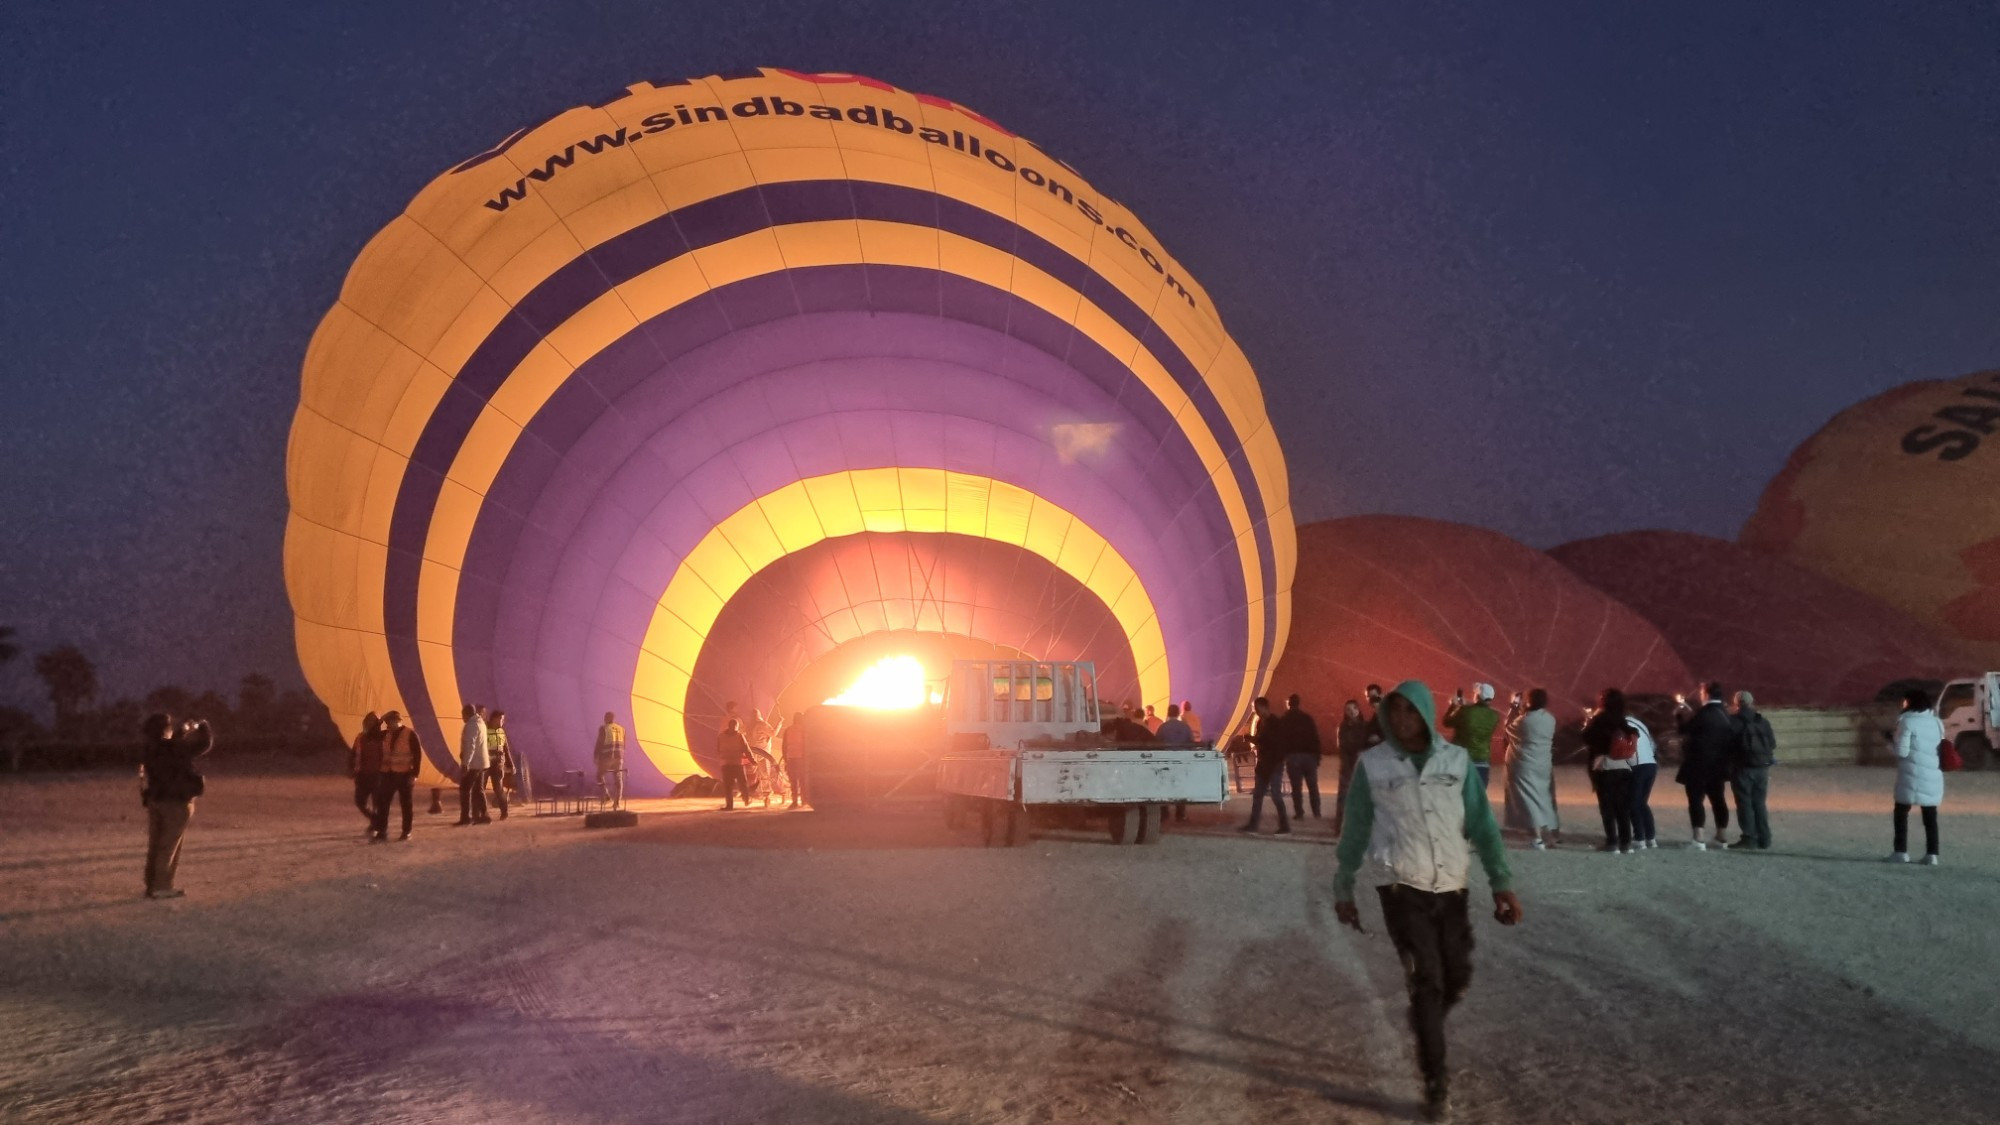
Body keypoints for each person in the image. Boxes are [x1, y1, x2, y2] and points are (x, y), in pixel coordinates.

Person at [1333, 680, 1521, 1122]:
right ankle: (1436, 1081)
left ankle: (1426, 1015)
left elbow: (1481, 823)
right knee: (1429, 982)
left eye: (1411, 712)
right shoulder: (1373, 765)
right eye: (1394, 713)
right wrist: (1344, 885)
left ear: (1426, 713)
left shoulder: (1455, 761)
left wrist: (1501, 881)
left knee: (1457, 974)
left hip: (1451, 885)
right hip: (1401, 886)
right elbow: (1356, 826)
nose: (1402, 721)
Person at [140, 713, 212, 899]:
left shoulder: (150, 749)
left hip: (156, 800)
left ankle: (151, 884)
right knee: (169, 845)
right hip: (177, 802)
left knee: (156, 844)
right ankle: (162, 886)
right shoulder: (175, 748)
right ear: (165, 729)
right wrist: (203, 727)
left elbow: (169, 747)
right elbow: (203, 745)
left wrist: (182, 732)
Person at [1886, 688, 1944, 865]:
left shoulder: (1906, 722)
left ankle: (1901, 851)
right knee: (1930, 816)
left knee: (1901, 813)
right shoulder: (1936, 722)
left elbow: (1902, 752)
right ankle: (1932, 854)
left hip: (1911, 775)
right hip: (1932, 774)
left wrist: (1890, 742)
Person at [1674, 683, 1735, 850]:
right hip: (1718, 765)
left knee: (1696, 800)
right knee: (1718, 800)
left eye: (1702, 692)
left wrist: (1679, 716)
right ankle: (1721, 837)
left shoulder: (1703, 713)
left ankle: (1698, 838)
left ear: (1706, 694)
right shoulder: (1725, 714)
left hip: (1698, 765)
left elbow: (1685, 731)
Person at [1502, 689, 1561, 848]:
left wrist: (1514, 706)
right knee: (1543, 799)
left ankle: (1537, 838)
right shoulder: (1550, 719)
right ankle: (1549, 835)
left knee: (1529, 800)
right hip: (1543, 764)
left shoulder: (1523, 720)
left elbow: (1508, 727)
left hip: (1524, 765)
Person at [1583, 689, 1638, 854]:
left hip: (1605, 766)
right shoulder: (1621, 719)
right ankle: (1626, 842)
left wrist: (1590, 722)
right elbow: (1633, 733)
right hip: (1623, 767)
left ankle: (1612, 841)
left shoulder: (1599, 718)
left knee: (1607, 807)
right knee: (1622, 807)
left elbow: (1586, 737)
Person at [1729, 692, 1776, 850]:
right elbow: (1772, 743)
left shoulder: (1734, 721)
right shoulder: (1762, 721)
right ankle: (1765, 837)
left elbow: (1728, 745)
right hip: (1762, 768)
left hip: (1743, 767)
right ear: (1752, 702)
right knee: (1759, 803)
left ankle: (1749, 838)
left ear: (1736, 703)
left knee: (1744, 804)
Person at [1238, 697, 1291, 835]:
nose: (1254, 711)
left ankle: (1284, 826)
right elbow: (1264, 741)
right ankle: (1253, 825)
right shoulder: (1262, 722)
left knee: (1275, 795)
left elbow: (1270, 742)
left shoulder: (1274, 723)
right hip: (1264, 763)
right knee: (1258, 795)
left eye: (1255, 708)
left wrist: (1251, 738)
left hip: (1273, 764)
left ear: (1262, 707)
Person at [373, 710, 423, 842]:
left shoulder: (411, 735)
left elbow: (418, 755)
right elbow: (371, 734)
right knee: (383, 803)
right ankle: (382, 831)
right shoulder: (386, 734)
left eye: (389, 722)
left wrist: (415, 774)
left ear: (397, 721)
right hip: (388, 773)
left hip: (405, 774)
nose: (387, 726)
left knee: (406, 804)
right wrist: (379, 721)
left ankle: (407, 831)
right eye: (386, 723)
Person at [1444, 684, 1501, 789]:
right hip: (1483, 762)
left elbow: (1446, 722)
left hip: (1462, 762)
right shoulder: (1495, 716)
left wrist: (1454, 706)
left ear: (1478, 696)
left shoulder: (1465, 711)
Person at [1280, 693, 1324, 820]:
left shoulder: (1284, 719)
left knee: (1296, 787)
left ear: (1288, 703)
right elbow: (1315, 738)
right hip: (1309, 756)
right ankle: (1316, 812)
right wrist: (1317, 757)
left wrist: (1283, 756)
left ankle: (1299, 813)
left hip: (1293, 757)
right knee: (1313, 786)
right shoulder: (1307, 718)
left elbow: (1281, 740)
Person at [1332, 699, 1370, 837]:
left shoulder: (1365, 726)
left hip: (1361, 767)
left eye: (1353, 708)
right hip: (1347, 767)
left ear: (1358, 709)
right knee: (1344, 798)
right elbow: (1342, 747)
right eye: (1348, 710)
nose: (1351, 712)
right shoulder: (1343, 727)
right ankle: (1340, 827)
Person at [1625, 706, 1659, 849]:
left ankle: (1639, 838)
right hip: (1651, 764)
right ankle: (1651, 837)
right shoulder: (1640, 724)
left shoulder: (1623, 725)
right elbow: (1652, 744)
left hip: (1637, 765)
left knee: (1633, 802)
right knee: (1642, 802)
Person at [347, 712, 383, 828]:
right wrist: (351, 768)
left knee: (377, 803)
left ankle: (378, 825)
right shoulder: (361, 737)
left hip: (379, 775)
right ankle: (375, 819)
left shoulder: (383, 738)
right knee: (360, 802)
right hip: (363, 775)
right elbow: (353, 754)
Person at [457, 703, 490, 826]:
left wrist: (466, 763)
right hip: (482, 762)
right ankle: (485, 815)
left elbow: (470, 746)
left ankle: (466, 817)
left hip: (474, 764)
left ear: (467, 714)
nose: (462, 718)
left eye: (463, 715)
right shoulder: (481, 723)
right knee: (479, 789)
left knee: (464, 789)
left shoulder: (471, 726)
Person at [717, 718, 753, 810]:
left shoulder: (721, 736)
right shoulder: (739, 736)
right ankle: (746, 799)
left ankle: (730, 805)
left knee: (728, 786)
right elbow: (746, 749)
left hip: (726, 764)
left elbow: (718, 749)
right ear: (736, 726)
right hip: (737, 763)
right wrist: (752, 760)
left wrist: (721, 760)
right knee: (742, 783)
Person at [485, 710, 514, 820]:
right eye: (500, 719)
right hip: (485, 763)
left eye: (503, 719)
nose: (502, 722)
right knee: (481, 788)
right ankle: (482, 812)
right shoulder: (485, 729)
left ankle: (504, 811)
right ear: (493, 719)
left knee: (498, 788)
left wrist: (511, 765)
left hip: (498, 764)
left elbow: (506, 749)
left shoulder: (501, 732)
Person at [595, 711, 626, 811]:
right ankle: (617, 802)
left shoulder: (603, 728)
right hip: (619, 756)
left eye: (605, 717)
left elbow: (599, 743)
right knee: (618, 779)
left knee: (599, 775)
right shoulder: (622, 729)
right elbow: (624, 744)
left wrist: (596, 755)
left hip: (607, 756)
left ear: (607, 718)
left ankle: (606, 795)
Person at [783, 710, 807, 808]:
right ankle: (803, 800)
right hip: (801, 758)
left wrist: (785, 758)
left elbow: (784, 745)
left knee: (793, 781)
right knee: (802, 780)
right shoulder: (804, 730)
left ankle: (794, 801)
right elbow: (807, 745)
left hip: (791, 758)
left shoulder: (788, 730)